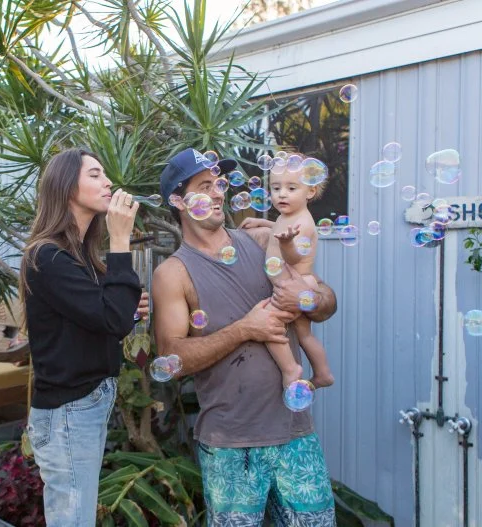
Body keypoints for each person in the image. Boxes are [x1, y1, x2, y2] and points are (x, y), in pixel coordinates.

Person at [152, 148, 338, 526]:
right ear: (179, 201)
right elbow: (171, 359)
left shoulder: (260, 241)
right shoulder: (174, 273)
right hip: (230, 446)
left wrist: (308, 297)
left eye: (220, 183)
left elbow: (326, 301)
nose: (219, 192)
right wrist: (244, 330)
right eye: (206, 186)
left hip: (295, 433)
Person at [20, 148, 149, 526]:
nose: (108, 181)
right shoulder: (48, 256)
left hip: (82, 406)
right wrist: (120, 238)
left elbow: (113, 319)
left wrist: (124, 306)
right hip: (68, 412)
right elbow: (111, 318)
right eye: (95, 174)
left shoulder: (78, 257)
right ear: (65, 186)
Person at [251, 160, 335, 411]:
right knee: (304, 334)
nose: (281, 194)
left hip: (292, 287)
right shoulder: (288, 217)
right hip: (299, 283)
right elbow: (280, 229)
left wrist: (286, 244)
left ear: (310, 191)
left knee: (268, 322)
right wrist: (265, 225)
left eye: (291, 188)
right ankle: (322, 373)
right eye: (276, 188)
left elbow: (296, 255)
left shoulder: (304, 223)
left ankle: (291, 369)